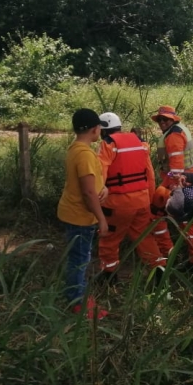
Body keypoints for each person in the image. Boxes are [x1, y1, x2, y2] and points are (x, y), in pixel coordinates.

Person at [95, 112, 166, 285]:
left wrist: (96, 200)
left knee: (109, 239)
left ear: (103, 131)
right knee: (145, 238)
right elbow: (149, 175)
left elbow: (100, 174)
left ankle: (108, 278)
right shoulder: (139, 143)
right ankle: (160, 272)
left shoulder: (107, 145)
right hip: (141, 201)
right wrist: (149, 200)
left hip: (117, 204)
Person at [56, 109, 109, 320]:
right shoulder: (85, 154)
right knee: (79, 260)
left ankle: (76, 295)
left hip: (74, 212)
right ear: (95, 129)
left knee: (79, 257)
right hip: (80, 216)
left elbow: (90, 185)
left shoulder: (75, 149)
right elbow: (87, 192)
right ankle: (77, 302)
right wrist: (102, 219)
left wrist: (103, 189)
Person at [151, 105, 193, 268]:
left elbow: (177, 168)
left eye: (165, 119)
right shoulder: (177, 130)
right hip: (184, 179)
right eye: (160, 119)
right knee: (187, 220)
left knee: (157, 215)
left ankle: (171, 254)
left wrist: (174, 189)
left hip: (179, 181)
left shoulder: (174, 135)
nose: (162, 122)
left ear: (173, 119)